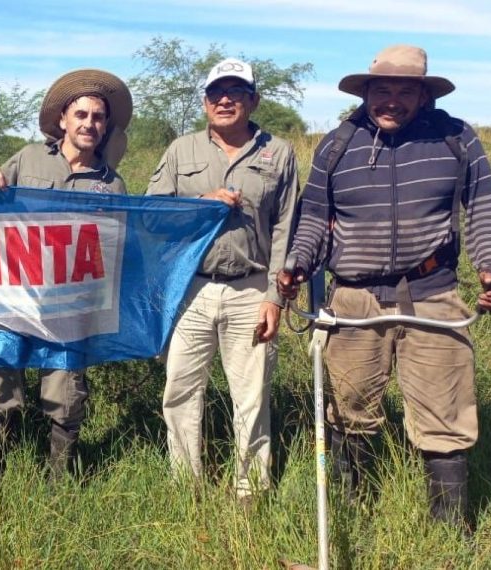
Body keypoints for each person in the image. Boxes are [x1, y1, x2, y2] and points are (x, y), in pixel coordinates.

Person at [278, 45, 491, 533]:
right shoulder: (337, 145)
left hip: (433, 294)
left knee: (445, 414)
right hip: (353, 299)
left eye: (405, 91)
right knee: (348, 409)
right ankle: (353, 514)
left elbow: (486, 207)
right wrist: (297, 263)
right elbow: (314, 216)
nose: (391, 100)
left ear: (424, 96)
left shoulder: (455, 138)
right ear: (365, 92)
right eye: (381, 89)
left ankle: (449, 532)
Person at [145, 57, 298, 501]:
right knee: (180, 390)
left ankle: (250, 491)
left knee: (251, 396)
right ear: (205, 102)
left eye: (236, 92)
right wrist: (200, 204)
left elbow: (287, 229)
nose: (225, 100)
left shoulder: (278, 153)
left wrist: (275, 297)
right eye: (216, 93)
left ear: (253, 100)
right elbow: (153, 216)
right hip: (191, 289)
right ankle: (185, 485)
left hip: (252, 289)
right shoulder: (181, 150)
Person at [0, 69, 132, 480]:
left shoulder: (112, 184)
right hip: (14, 297)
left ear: (105, 126)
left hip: (70, 307)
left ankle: (59, 484)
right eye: (81, 114)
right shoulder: (28, 158)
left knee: (66, 395)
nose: (89, 123)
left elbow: (119, 248)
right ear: (63, 119)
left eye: (98, 117)